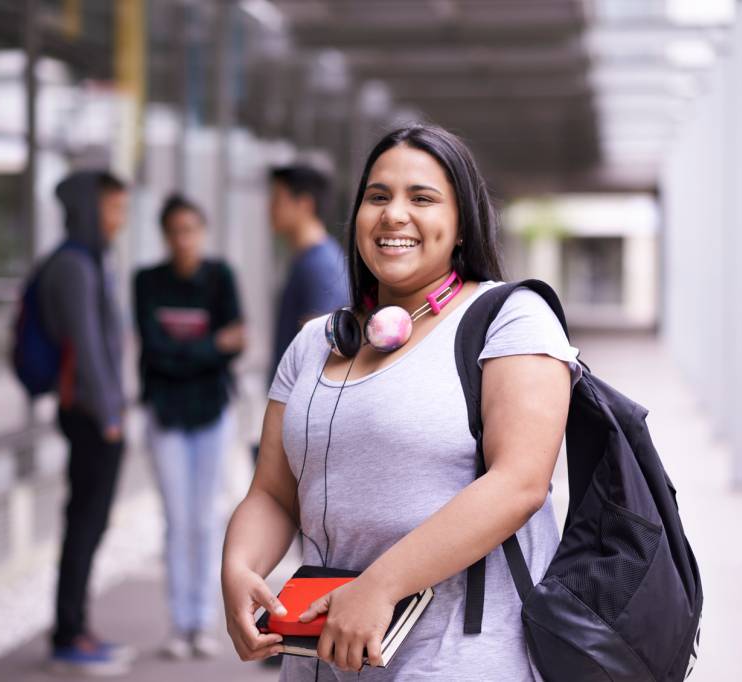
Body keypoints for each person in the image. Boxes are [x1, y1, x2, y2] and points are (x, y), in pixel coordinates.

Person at [221, 125, 582, 680]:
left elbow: (520, 482)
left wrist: (380, 586)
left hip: (460, 659)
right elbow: (273, 492)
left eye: (422, 198)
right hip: (320, 658)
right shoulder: (315, 343)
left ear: (462, 225)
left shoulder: (511, 319)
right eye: (377, 196)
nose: (393, 215)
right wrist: (239, 567)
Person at [134, 195, 245, 660]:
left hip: (211, 412)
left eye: (192, 230)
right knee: (176, 521)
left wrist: (185, 354)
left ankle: (202, 622)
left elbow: (237, 342)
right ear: (165, 235)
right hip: (166, 414)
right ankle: (180, 624)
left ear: (203, 232)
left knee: (205, 520)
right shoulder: (147, 281)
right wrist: (207, 348)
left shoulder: (220, 278)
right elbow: (154, 349)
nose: (184, 239)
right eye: (176, 230)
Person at [39, 170, 133, 676]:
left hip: (96, 415)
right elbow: (88, 346)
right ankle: (67, 633)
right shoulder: (74, 265)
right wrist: (110, 416)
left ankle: (76, 626)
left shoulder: (90, 259)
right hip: (91, 418)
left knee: (89, 525)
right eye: (113, 209)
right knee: (84, 526)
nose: (119, 220)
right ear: (89, 209)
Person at [269, 165, 349, 377]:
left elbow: (320, 348)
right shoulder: (307, 259)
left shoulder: (321, 266)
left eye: (278, 200)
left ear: (304, 204)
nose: (270, 208)